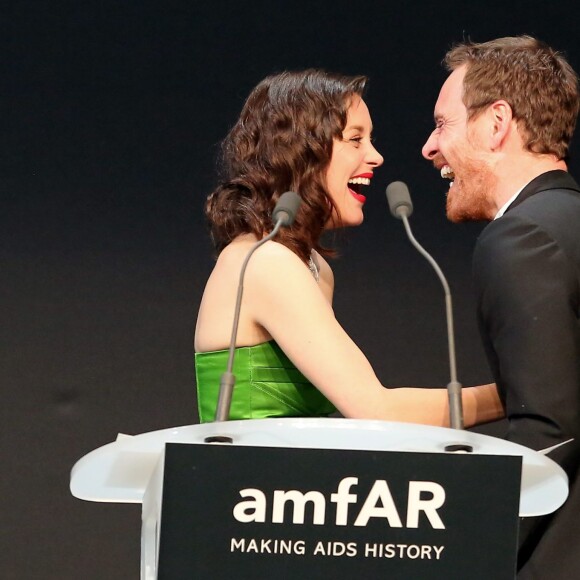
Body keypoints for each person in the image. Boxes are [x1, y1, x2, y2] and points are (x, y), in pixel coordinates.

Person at [194, 69, 502, 427]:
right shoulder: (265, 261)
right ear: (300, 152)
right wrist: (518, 392)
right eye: (355, 140)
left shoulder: (311, 267)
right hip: (245, 479)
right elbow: (378, 410)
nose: (376, 157)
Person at [422, 36, 580, 578]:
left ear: (496, 124)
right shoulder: (566, 224)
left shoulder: (523, 238)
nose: (429, 147)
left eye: (442, 124)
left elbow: (548, 431)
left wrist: (465, 553)